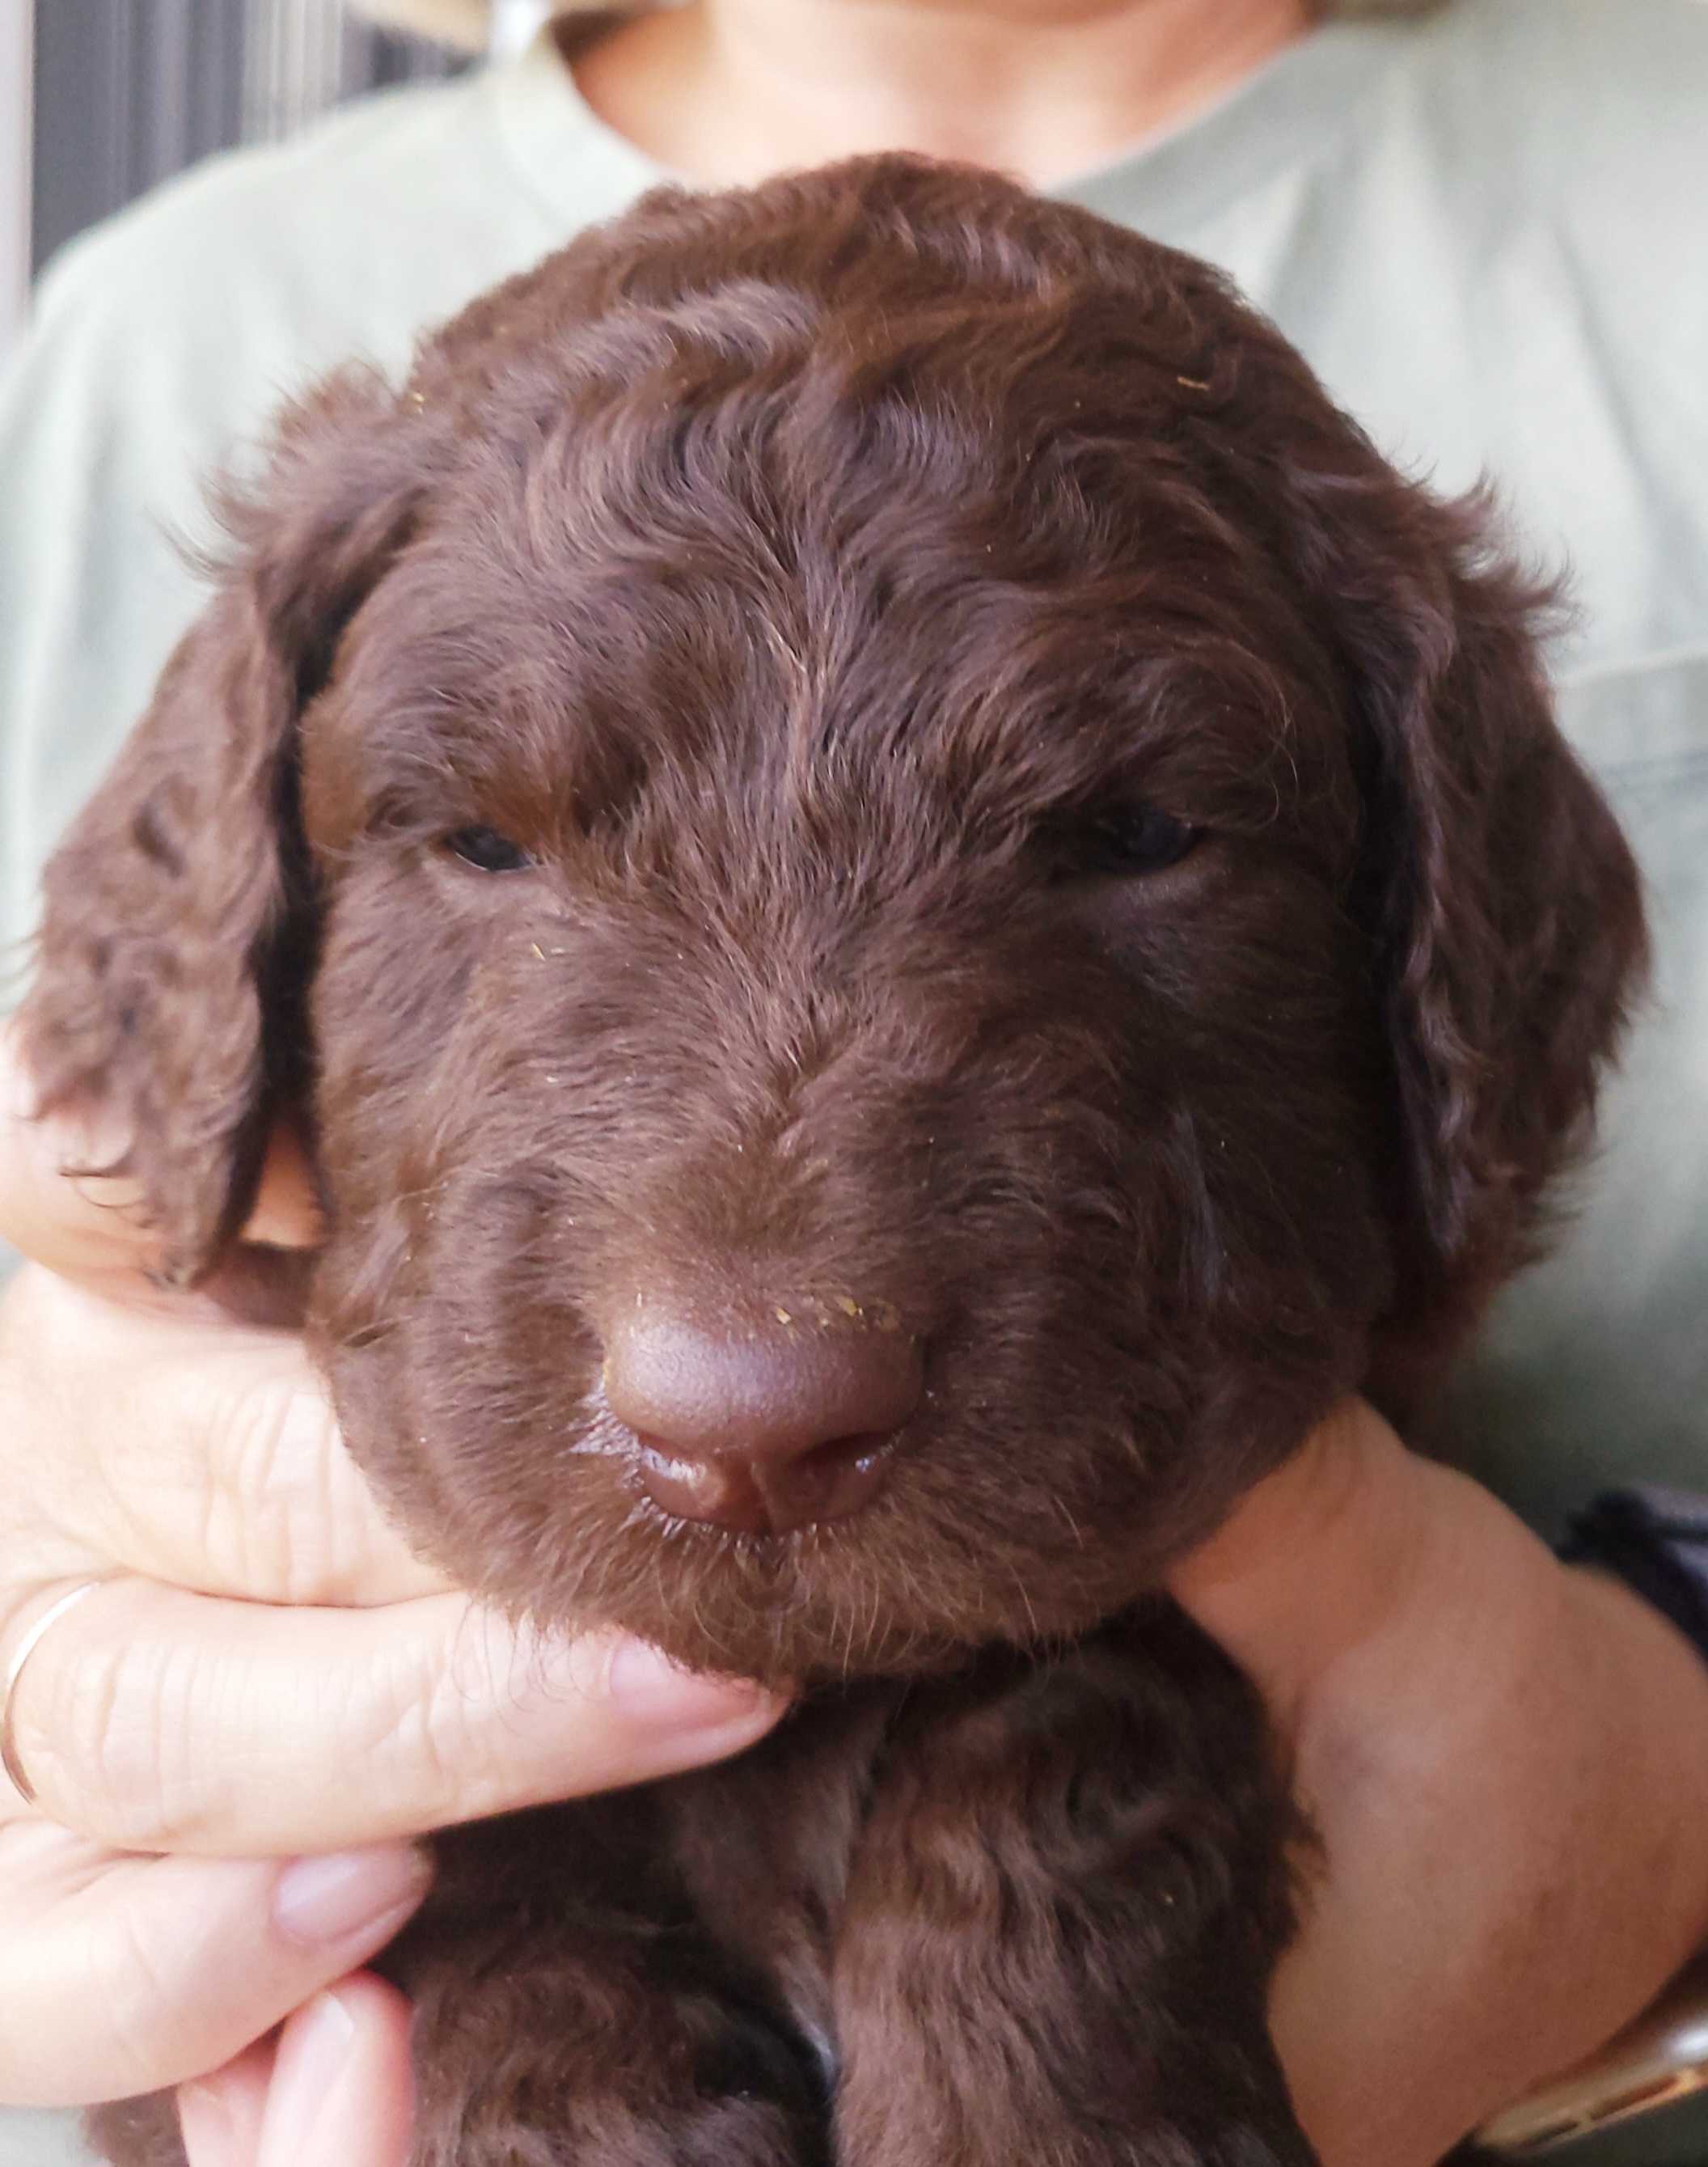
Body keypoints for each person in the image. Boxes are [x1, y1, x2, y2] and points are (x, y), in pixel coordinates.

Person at [2, 0, 1706, 2161]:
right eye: (493, 845)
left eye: (1134, 835)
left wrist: (1663, 1826)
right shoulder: (136, 344)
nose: (747, 1331)